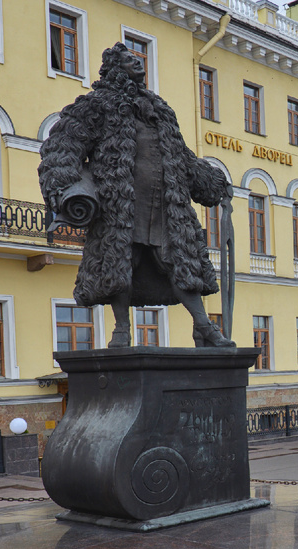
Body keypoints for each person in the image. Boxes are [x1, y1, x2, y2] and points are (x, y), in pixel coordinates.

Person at [39, 43, 233, 347]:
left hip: (166, 203)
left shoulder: (159, 110)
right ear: (116, 67)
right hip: (120, 203)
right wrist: (65, 185)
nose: (138, 64)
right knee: (121, 262)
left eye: (139, 59)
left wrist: (212, 182)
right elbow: (63, 145)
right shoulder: (96, 105)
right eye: (131, 60)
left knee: (179, 261)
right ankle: (122, 330)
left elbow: (181, 156)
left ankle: (204, 326)